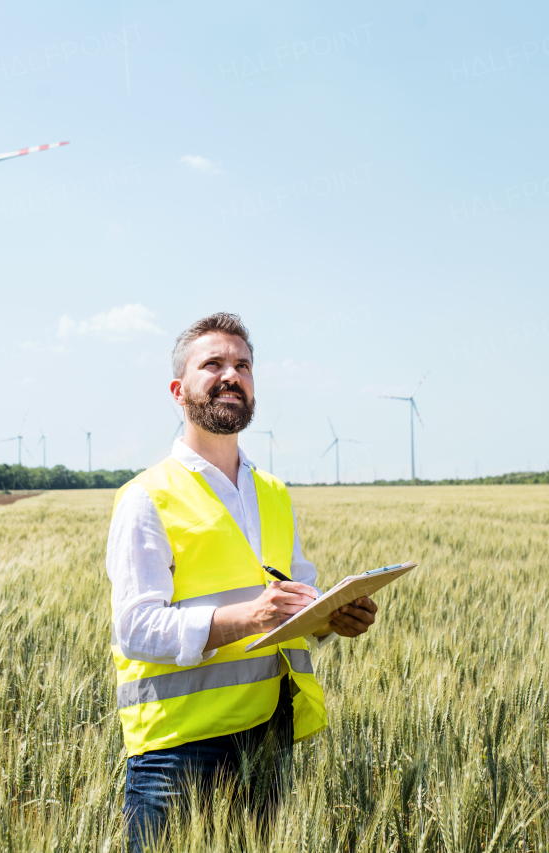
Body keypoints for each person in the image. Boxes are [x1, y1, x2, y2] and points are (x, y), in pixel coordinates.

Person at [106, 312, 379, 850]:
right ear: (178, 390)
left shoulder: (273, 492)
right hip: (179, 749)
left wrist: (332, 618)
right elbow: (135, 630)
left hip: (269, 734)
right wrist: (249, 618)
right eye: (213, 364)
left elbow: (296, 593)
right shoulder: (147, 497)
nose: (232, 374)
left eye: (244, 365)